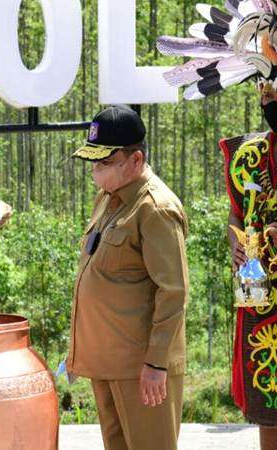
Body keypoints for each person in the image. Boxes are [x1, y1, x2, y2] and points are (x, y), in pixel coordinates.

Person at [159, 1, 277, 447]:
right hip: (255, 279)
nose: (274, 103)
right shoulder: (244, 154)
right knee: (267, 393)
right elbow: (237, 215)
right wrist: (236, 244)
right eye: (268, 95)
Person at [67, 105, 188, 450]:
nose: (95, 171)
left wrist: (156, 362)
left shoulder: (155, 209)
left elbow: (173, 292)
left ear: (136, 160)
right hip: (109, 362)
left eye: (105, 162)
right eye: (93, 162)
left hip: (142, 369)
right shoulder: (109, 200)